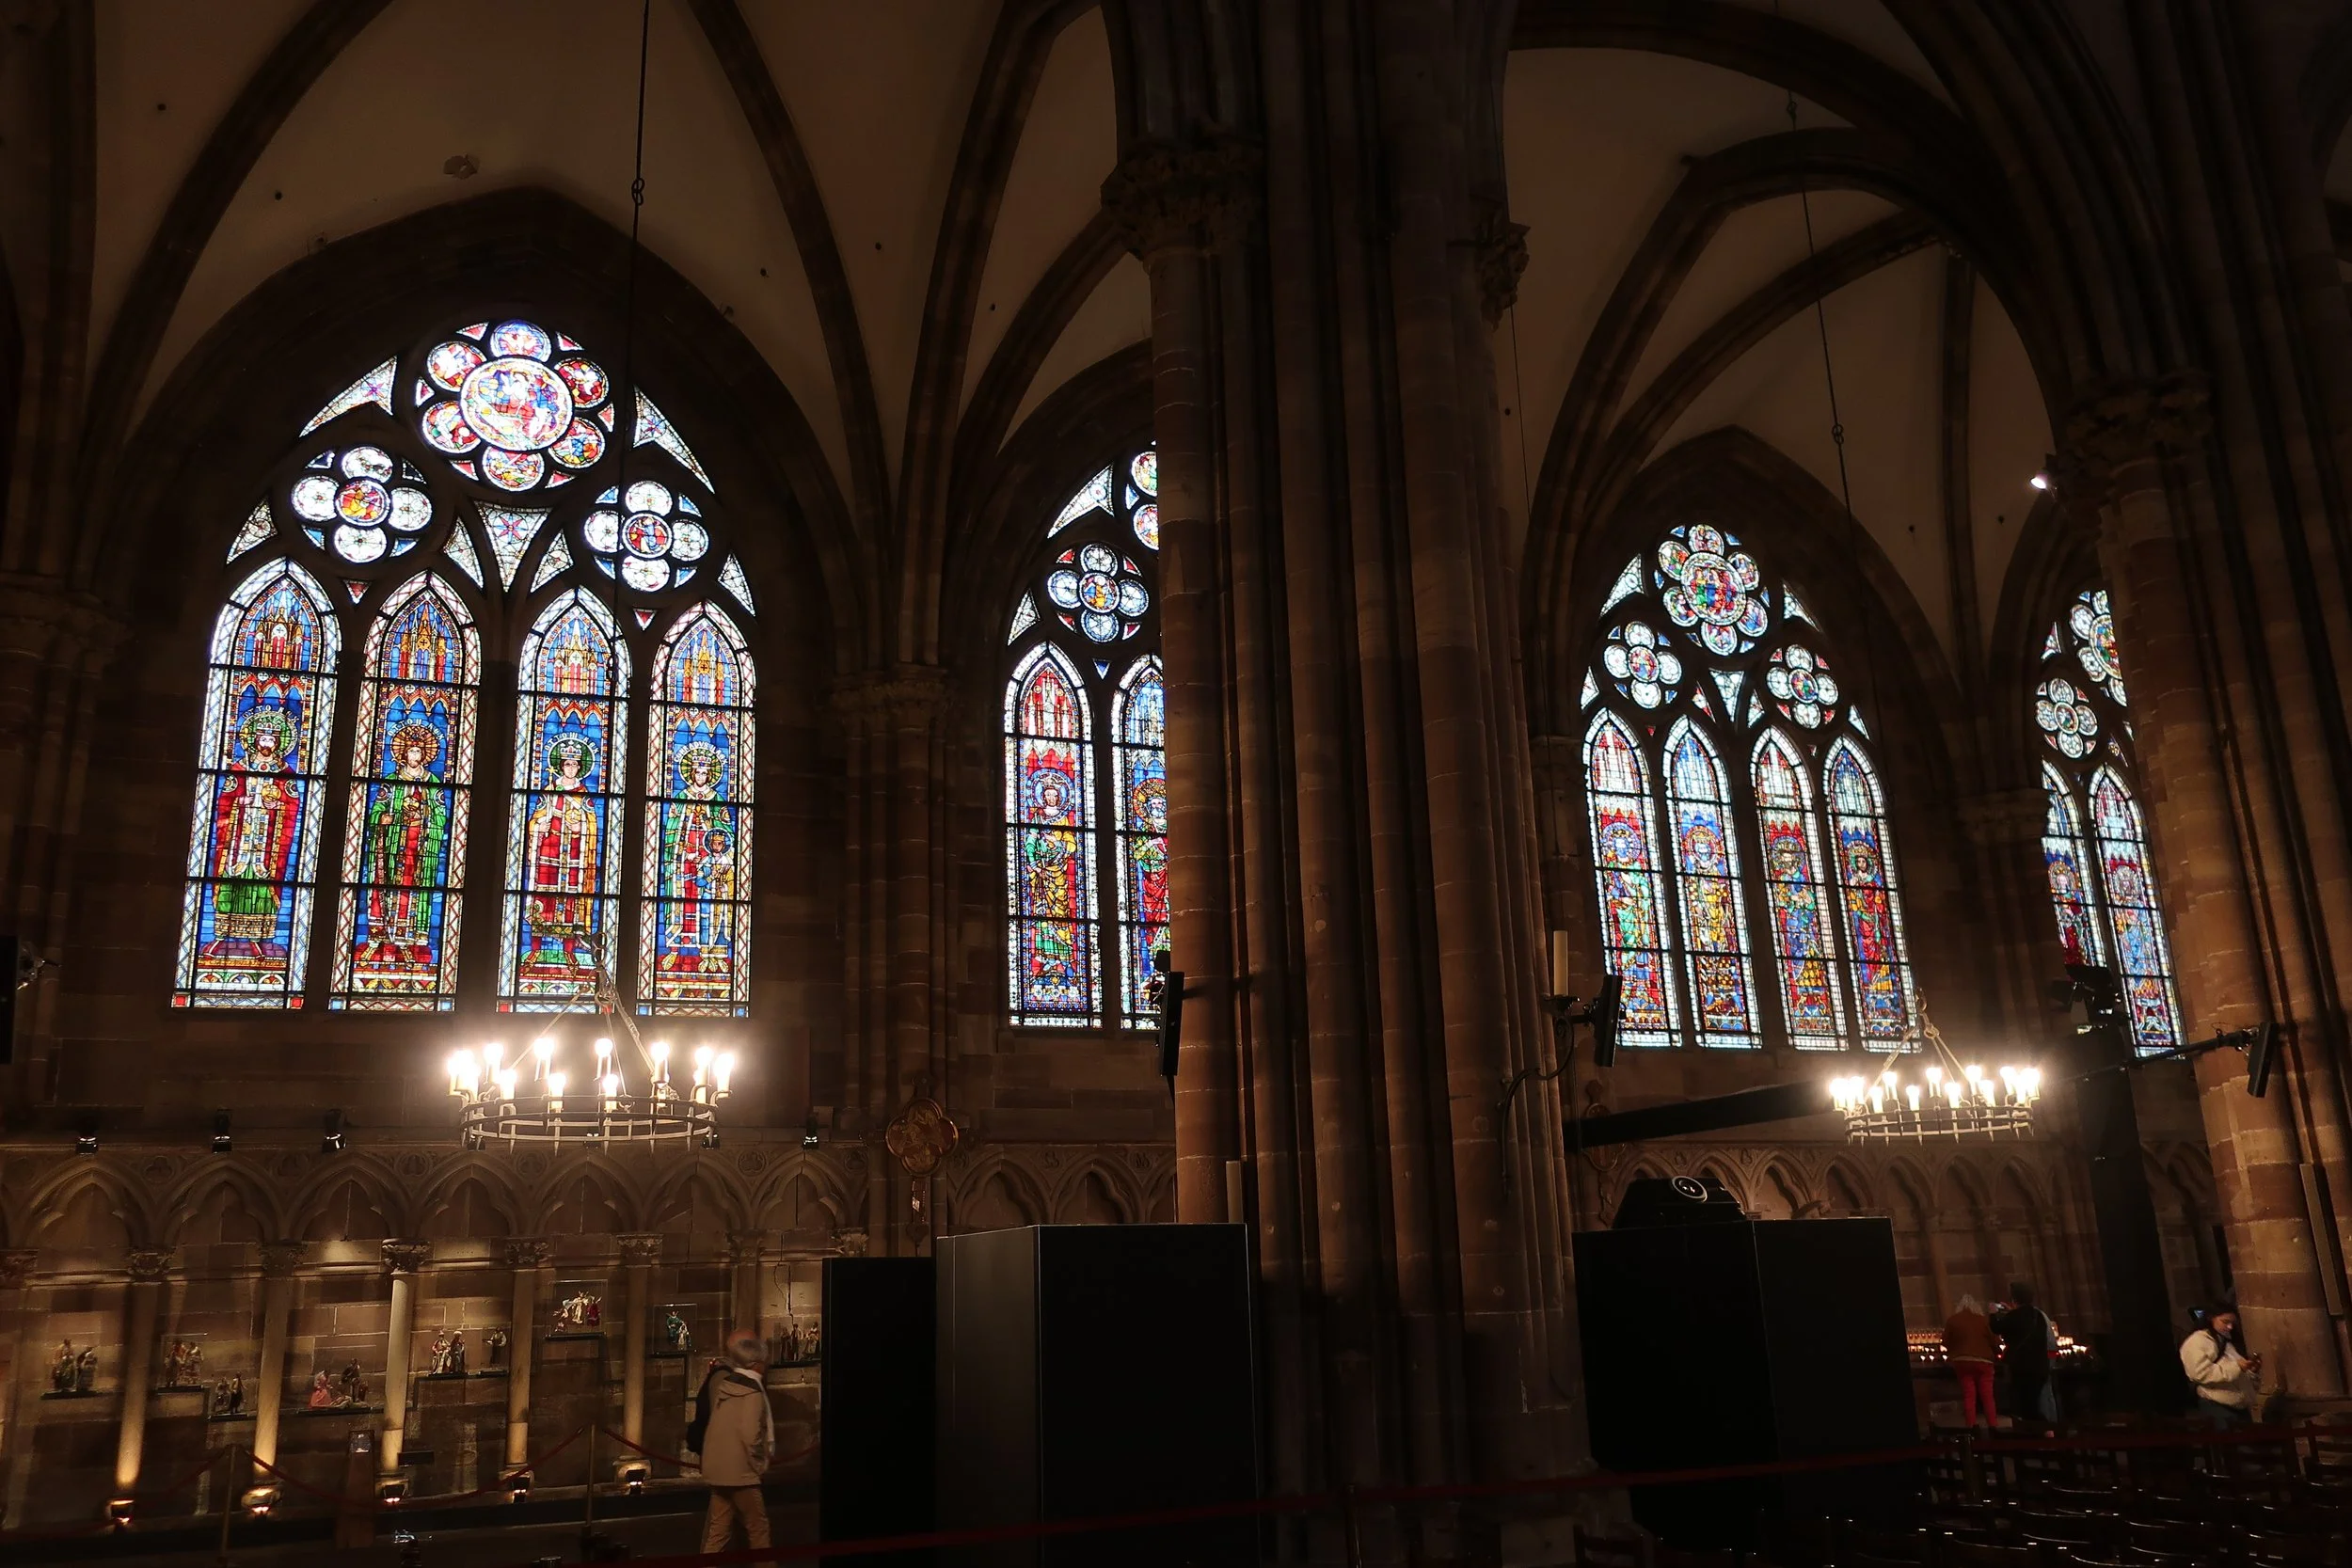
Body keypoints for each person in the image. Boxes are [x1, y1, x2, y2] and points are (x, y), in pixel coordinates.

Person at [697, 1329, 774, 1558]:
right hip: (741, 1473)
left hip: (721, 1471)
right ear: (757, 1364)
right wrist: (759, 1465)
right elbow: (751, 1435)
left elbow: (715, 1430)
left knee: (718, 1533)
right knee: (759, 1530)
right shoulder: (752, 1393)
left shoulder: (726, 1387)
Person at [2182, 1306, 2262, 1428]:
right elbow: (2199, 1373)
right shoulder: (2197, 1342)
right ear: (2211, 1318)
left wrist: (2251, 1371)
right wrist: (2237, 1366)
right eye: (2225, 1322)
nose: (2230, 1327)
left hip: (2238, 1408)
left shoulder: (2225, 1342)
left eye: (2232, 1323)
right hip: (2218, 1407)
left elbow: (2237, 1373)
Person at [1992, 1281, 2054, 1426]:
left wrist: (1993, 1314)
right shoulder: (2038, 1315)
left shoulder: (2014, 1316)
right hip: (2041, 1365)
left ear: (2014, 1300)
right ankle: (2044, 1433)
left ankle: (2043, 1434)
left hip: (2023, 1367)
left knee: (2027, 1406)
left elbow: (1997, 1328)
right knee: (2035, 1402)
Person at [1943, 1294, 1999, 1429]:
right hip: (1983, 1361)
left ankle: (1971, 1427)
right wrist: (1997, 1352)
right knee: (1987, 1396)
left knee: (1969, 1395)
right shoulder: (1983, 1320)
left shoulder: (1953, 1320)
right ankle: (1993, 1426)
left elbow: (1945, 1342)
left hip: (1962, 1361)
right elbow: (1994, 1341)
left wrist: (1953, 1352)